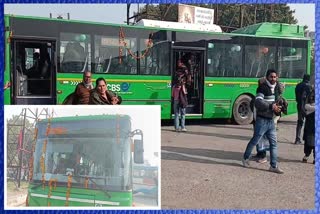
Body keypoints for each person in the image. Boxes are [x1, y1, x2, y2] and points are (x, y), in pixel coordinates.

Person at [242, 69, 284, 174]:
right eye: (271, 77)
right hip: (262, 120)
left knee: (274, 143)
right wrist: (271, 106)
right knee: (255, 141)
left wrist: (279, 107)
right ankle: (245, 158)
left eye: (275, 77)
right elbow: (258, 102)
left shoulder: (277, 88)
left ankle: (273, 166)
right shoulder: (262, 88)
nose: (273, 79)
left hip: (271, 121)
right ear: (267, 77)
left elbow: (276, 102)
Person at [251, 77, 286, 164]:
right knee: (259, 136)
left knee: (264, 138)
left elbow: (269, 106)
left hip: (266, 119)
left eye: (260, 83)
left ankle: (264, 156)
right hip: (259, 118)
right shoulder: (261, 91)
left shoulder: (271, 94)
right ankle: (260, 153)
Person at [294, 74, 312, 144]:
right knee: (308, 123)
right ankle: (307, 139)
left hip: (299, 106)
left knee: (300, 122)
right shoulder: (309, 86)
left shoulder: (298, 85)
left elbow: (297, 96)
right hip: (307, 107)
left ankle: (297, 139)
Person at [302, 87, 315, 164]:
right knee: (308, 138)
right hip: (310, 120)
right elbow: (306, 106)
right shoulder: (310, 94)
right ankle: (307, 154)